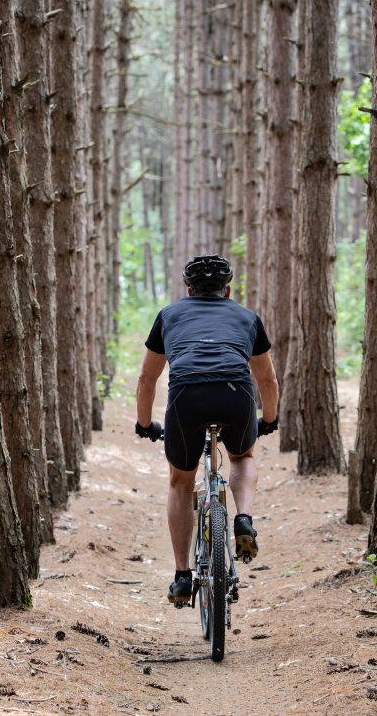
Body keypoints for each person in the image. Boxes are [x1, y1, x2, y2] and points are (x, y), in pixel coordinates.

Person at [135, 254, 279, 605]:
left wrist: (144, 424)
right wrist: (270, 419)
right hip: (235, 392)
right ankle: (243, 519)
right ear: (228, 290)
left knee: (181, 480)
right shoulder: (247, 317)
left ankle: (183, 576)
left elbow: (147, 378)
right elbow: (267, 379)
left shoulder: (169, 315)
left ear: (189, 289)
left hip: (187, 394)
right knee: (242, 457)